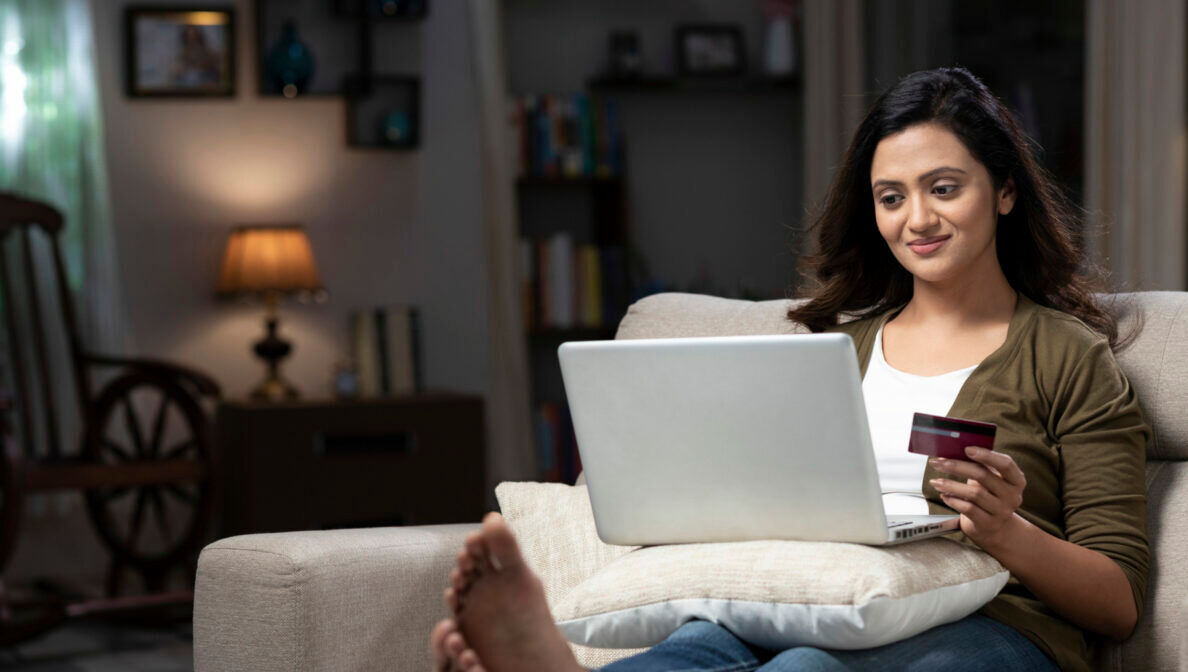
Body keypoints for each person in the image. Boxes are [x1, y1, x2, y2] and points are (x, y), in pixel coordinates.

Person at [429, 67, 1150, 672]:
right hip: (823, 600)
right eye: (891, 197)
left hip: (996, 629)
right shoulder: (833, 353)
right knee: (695, 649)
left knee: (802, 669)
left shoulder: (1065, 355)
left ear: (1004, 191)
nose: (917, 219)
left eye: (944, 187)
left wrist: (1005, 530)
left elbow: (1117, 604)